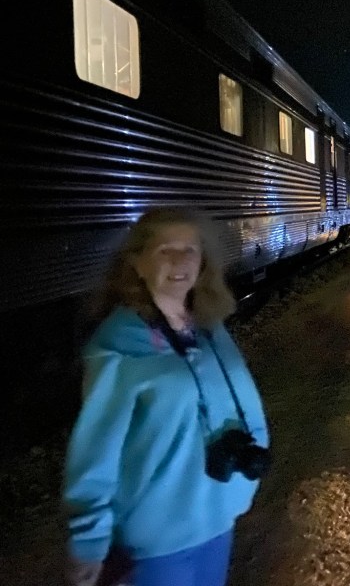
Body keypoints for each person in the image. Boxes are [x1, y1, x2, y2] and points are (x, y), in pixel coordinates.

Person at [64, 207, 270, 586]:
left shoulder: (209, 328)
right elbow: (95, 449)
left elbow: (244, 404)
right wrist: (89, 537)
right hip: (156, 540)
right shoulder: (117, 345)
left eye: (190, 249)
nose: (180, 260)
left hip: (217, 521)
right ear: (137, 264)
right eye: (165, 250)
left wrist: (246, 482)